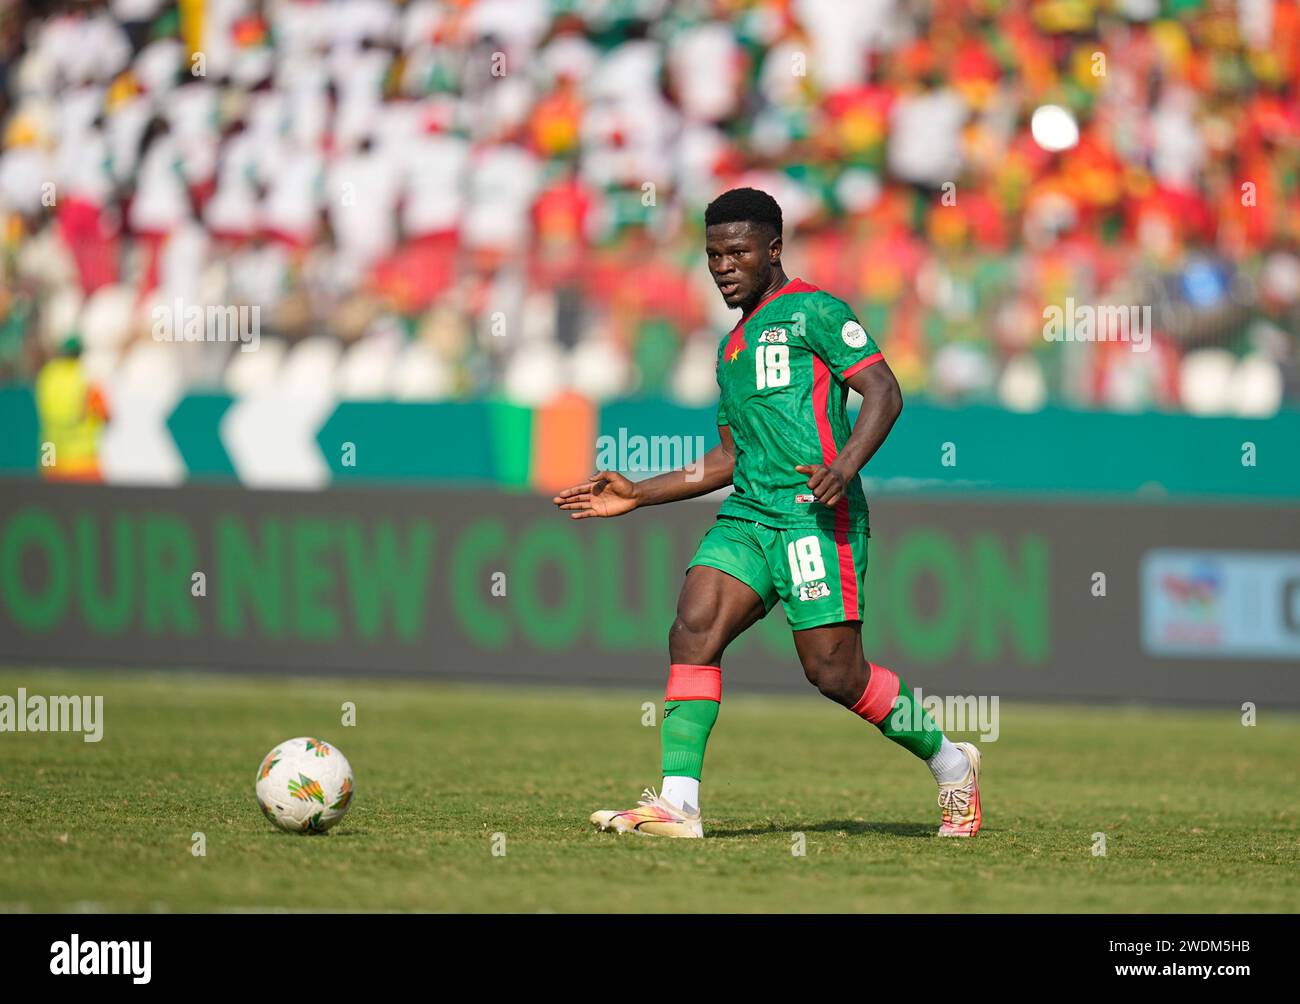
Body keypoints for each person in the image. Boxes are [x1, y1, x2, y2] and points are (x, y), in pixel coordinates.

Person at [552, 187, 983, 837]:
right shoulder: (730, 348)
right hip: (750, 513)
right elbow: (728, 456)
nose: (723, 266)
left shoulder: (815, 311)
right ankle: (679, 804)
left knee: (835, 672)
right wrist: (641, 492)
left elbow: (884, 391)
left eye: (737, 252)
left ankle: (953, 767)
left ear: (773, 249)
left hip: (816, 513)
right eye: (712, 254)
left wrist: (844, 468)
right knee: (693, 624)